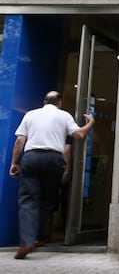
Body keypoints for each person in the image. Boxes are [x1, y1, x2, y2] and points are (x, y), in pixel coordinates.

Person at [8, 91, 95, 259]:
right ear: (59, 102)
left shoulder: (31, 115)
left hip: (31, 157)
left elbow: (20, 140)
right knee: (47, 201)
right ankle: (40, 238)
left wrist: (14, 163)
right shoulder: (64, 116)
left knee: (28, 200)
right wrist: (90, 122)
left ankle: (27, 240)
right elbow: (80, 134)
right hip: (54, 159)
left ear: (44, 101)